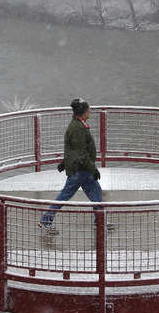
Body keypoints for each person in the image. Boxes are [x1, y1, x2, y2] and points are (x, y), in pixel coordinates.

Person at [38, 98, 112, 234]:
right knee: (66, 195)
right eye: (88, 110)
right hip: (80, 170)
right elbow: (81, 153)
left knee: (95, 194)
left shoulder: (78, 125)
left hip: (81, 169)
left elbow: (73, 150)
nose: (90, 112)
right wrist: (93, 169)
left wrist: (65, 163)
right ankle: (46, 220)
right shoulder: (77, 128)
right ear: (83, 113)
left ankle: (99, 221)